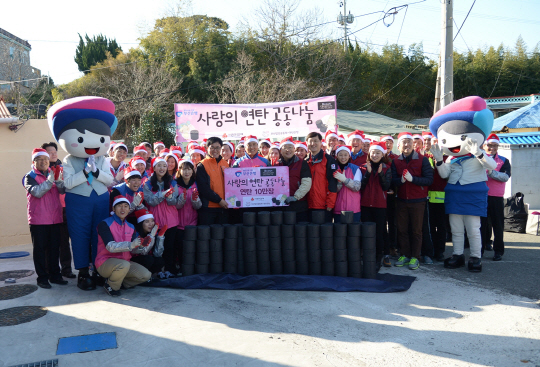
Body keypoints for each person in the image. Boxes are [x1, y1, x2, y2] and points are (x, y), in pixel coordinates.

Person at [48, 96, 115, 291]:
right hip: (78, 200)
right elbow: (67, 183)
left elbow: (110, 180)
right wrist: (85, 173)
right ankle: (83, 272)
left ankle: (98, 268)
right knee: (80, 235)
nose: (93, 145)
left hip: (101, 199)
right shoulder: (69, 161)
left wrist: (96, 172)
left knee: (99, 235)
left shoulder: (102, 159)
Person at [429, 96, 497, 272]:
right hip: (454, 195)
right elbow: (444, 174)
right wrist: (438, 161)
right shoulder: (451, 158)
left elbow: (492, 166)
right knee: (456, 229)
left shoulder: (478, 155)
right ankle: (457, 254)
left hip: (473, 195)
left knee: (473, 229)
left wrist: (479, 153)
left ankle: (475, 257)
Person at [24, 148, 68, 288]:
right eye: (40, 159)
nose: (43, 162)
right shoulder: (29, 176)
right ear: (34, 161)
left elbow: (62, 191)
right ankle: (42, 278)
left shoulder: (53, 173)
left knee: (55, 248)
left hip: (55, 218)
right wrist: (50, 181)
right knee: (40, 250)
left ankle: (55, 275)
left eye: (46, 159)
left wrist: (60, 182)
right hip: (38, 220)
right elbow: (37, 192)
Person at [391, 132, 433, 270]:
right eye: (404, 142)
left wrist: (413, 179)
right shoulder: (396, 161)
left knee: (416, 231)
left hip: (418, 201)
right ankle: (404, 254)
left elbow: (429, 180)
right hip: (402, 200)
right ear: (400, 145)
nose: (407, 145)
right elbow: (392, 180)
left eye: (409, 142)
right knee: (402, 230)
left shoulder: (422, 160)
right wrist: (401, 181)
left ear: (413, 144)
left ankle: (415, 257)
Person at [95, 195, 152, 296]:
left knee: (146, 275)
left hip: (124, 263)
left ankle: (121, 282)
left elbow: (133, 250)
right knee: (124, 265)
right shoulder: (104, 224)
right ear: (113, 208)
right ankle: (111, 286)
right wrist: (131, 245)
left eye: (126, 206)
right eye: (119, 206)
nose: (123, 208)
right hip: (105, 262)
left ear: (129, 209)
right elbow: (110, 247)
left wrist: (141, 246)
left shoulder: (131, 226)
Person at [41, 142, 75, 279]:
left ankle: (66, 269)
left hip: (66, 209)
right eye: (50, 152)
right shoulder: (41, 172)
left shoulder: (64, 168)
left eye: (55, 151)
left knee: (65, 243)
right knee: (51, 243)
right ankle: (50, 269)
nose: (54, 154)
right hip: (50, 211)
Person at [143, 157, 180, 277]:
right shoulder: (147, 183)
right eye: (159, 165)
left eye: (164, 166)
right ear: (154, 168)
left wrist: (170, 198)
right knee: (156, 246)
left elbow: (174, 202)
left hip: (171, 220)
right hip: (155, 221)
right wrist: (163, 194)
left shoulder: (173, 182)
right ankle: (157, 270)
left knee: (169, 246)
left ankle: (169, 269)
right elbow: (150, 201)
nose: (162, 168)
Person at [360, 142, 392, 267]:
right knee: (367, 231)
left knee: (379, 232)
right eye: (373, 152)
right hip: (365, 204)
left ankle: (379, 256)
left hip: (379, 205)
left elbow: (386, 186)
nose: (375, 155)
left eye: (378, 152)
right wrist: (368, 173)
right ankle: (368, 255)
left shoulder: (386, 168)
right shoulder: (363, 167)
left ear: (382, 154)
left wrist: (380, 174)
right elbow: (361, 186)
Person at [482, 133, 511, 261]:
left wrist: (491, 172)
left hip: (496, 197)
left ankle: (498, 251)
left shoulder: (504, 160)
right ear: (484, 145)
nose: (491, 148)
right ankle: (480, 249)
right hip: (481, 196)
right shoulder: (480, 158)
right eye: (489, 145)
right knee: (481, 225)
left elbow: (505, 177)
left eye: (494, 146)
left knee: (497, 225)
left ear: (497, 147)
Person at [423, 132, 448, 262]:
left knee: (442, 227)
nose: (436, 145)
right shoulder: (426, 157)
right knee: (430, 227)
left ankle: (440, 252)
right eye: (434, 142)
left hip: (443, 199)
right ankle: (431, 250)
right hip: (428, 199)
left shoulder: (447, 158)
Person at [175, 159, 202, 272]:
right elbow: (175, 206)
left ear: (192, 171)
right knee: (180, 248)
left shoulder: (196, 184)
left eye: (189, 169)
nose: (186, 172)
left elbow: (198, 206)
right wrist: (182, 200)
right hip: (178, 223)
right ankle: (180, 267)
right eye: (184, 169)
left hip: (193, 222)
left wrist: (195, 200)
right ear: (179, 171)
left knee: (191, 247)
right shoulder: (175, 185)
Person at [196, 137, 230, 225]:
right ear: (207, 148)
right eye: (212, 147)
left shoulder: (225, 164)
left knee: (221, 236)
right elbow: (203, 188)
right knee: (207, 236)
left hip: (224, 207)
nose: (215, 150)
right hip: (208, 208)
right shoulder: (202, 165)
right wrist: (219, 200)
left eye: (217, 147)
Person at [306, 132, 338, 223]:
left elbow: (332, 183)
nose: (313, 144)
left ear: (321, 142)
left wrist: (330, 203)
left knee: (324, 235)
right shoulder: (306, 160)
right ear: (307, 143)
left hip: (324, 206)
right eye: (310, 141)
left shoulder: (328, 160)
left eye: (316, 141)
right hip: (308, 205)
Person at [278, 137, 312, 222]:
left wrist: (296, 197)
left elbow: (307, 183)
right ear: (281, 151)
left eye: (290, 147)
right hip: (281, 205)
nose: (287, 150)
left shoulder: (302, 163)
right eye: (284, 147)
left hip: (299, 205)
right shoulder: (276, 164)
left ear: (294, 149)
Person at [333, 145, 362, 223]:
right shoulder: (334, 168)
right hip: (338, 208)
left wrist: (345, 180)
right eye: (340, 155)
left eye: (345, 155)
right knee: (339, 233)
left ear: (349, 156)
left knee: (353, 233)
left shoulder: (355, 169)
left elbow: (357, 187)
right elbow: (333, 189)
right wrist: (339, 183)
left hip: (353, 208)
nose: (343, 157)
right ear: (337, 156)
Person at [132, 209, 165, 275]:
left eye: (152, 221)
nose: (151, 224)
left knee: (160, 260)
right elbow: (143, 253)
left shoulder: (153, 233)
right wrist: (151, 237)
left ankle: (148, 276)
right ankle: (141, 276)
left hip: (147, 259)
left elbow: (158, 254)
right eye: (147, 222)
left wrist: (160, 238)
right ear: (141, 224)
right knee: (148, 259)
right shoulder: (136, 234)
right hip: (135, 261)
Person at [380, 135, 398, 257]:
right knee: (381, 222)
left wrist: (394, 190)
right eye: (385, 142)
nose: (388, 144)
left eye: (390, 142)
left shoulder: (395, 158)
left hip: (391, 195)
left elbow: (396, 175)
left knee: (392, 222)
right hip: (379, 194)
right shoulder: (376, 156)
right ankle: (382, 246)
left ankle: (392, 246)